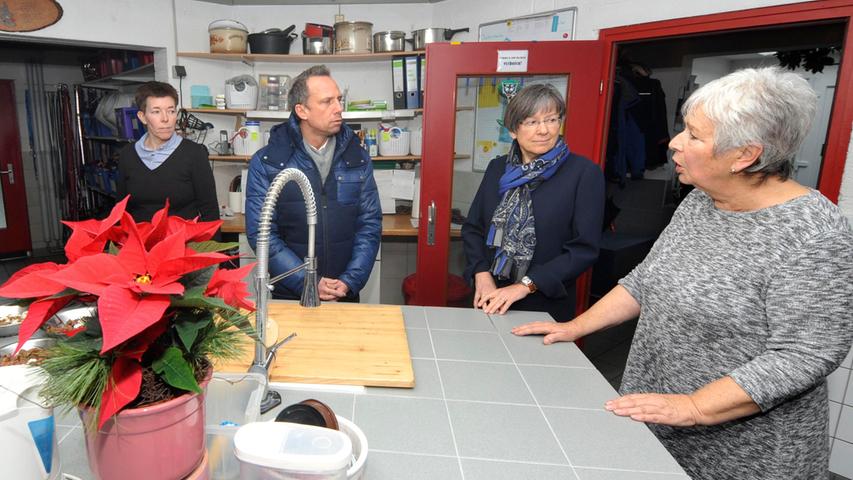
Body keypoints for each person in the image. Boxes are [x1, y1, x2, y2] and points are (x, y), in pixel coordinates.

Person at [512, 67, 853, 479]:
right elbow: (646, 280)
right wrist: (575, 327)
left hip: (746, 455)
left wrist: (694, 406)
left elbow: (805, 354)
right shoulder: (701, 202)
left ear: (745, 155)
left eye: (693, 135)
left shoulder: (815, 234)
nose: (674, 141)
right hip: (656, 419)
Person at [462, 83, 604, 321]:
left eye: (551, 119)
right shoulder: (497, 168)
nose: (544, 130)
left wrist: (524, 286)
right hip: (490, 296)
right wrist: (481, 272)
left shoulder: (583, 173)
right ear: (513, 130)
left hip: (544, 304)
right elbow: (473, 228)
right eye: (532, 122)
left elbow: (583, 250)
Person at [245, 65, 381, 301]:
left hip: (343, 292)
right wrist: (306, 281)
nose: (339, 109)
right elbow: (262, 234)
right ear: (302, 110)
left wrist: (350, 280)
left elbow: (369, 225)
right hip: (291, 294)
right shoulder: (268, 163)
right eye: (327, 102)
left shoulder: (357, 158)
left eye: (339, 100)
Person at [116, 81, 219, 222]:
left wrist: (209, 244)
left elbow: (210, 211)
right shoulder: (127, 155)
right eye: (156, 112)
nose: (165, 119)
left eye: (171, 111)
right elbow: (121, 211)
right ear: (142, 117)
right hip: (141, 242)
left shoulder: (194, 154)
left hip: (184, 242)